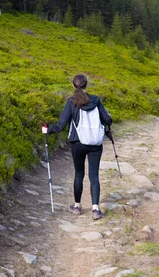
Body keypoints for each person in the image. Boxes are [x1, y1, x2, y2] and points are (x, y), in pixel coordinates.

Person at [47, 74, 112, 219]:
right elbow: (107, 119)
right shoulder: (96, 100)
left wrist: (47, 130)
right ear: (86, 85)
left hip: (78, 143)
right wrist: (109, 119)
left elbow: (60, 125)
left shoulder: (72, 102)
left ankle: (77, 206)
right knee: (94, 175)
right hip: (95, 143)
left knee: (79, 174)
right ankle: (95, 209)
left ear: (73, 86)